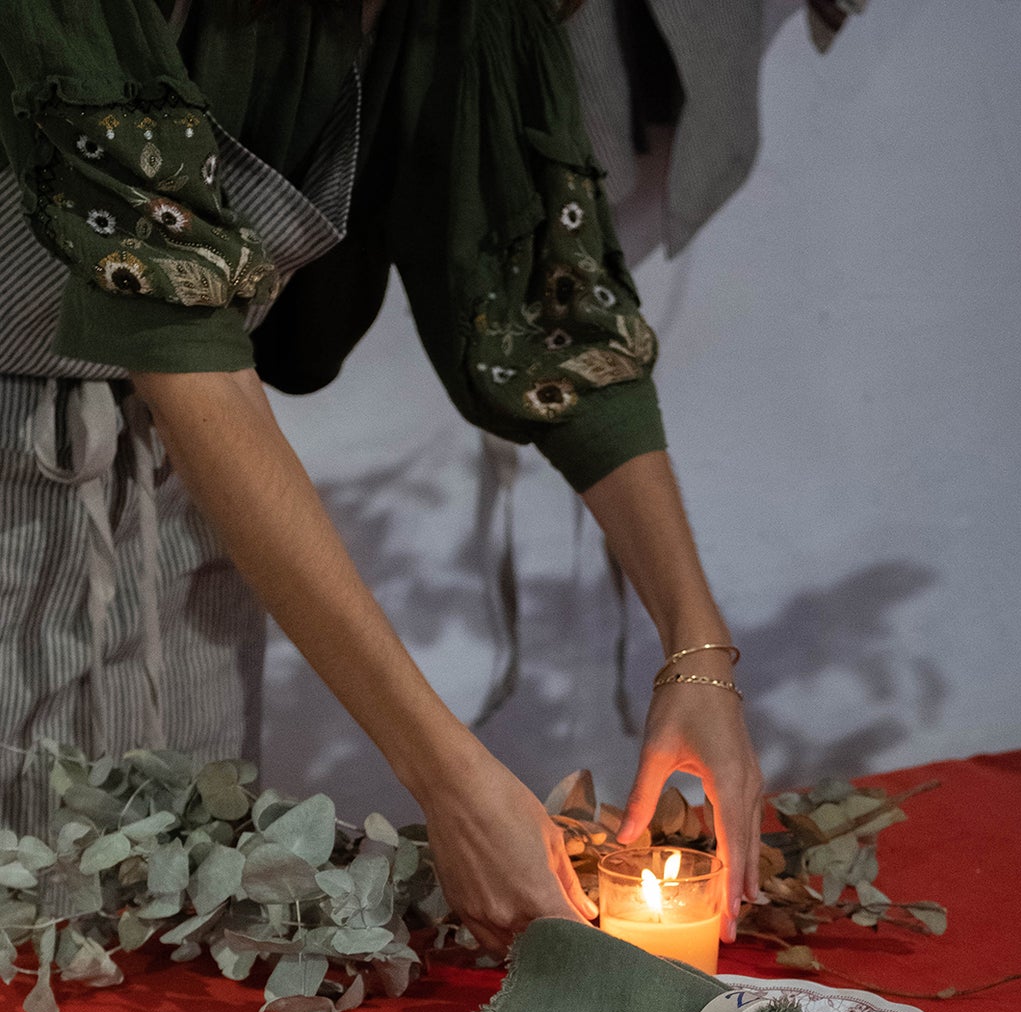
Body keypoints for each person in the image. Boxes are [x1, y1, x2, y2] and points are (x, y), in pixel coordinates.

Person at [0, 0, 763, 958]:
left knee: (168, 916)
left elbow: (548, 314)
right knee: (27, 941)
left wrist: (698, 649)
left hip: (185, 475)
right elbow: (176, 336)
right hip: (48, 470)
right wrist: (449, 781)